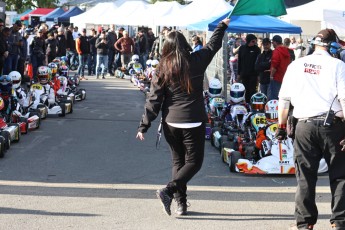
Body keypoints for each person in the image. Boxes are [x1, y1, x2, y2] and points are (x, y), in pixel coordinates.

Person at [136, 18, 230, 216]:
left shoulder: (162, 67)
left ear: (167, 47)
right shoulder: (196, 60)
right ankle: (169, 191)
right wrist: (222, 26)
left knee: (178, 162)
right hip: (193, 119)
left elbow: (154, 99)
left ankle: (181, 204)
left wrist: (144, 125)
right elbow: (213, 45)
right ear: (185, 44)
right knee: (194, 162)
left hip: (171, 121)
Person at [277, 29, 345, 230]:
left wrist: (281, 126)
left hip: (304, 126)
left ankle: (305, 223)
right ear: (332, 46)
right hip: (333, 126)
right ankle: (339, 222)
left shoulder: (295, 65)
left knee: (305, 176)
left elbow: (284, 100)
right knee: (340, 175)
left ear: (314, 44)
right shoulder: (338, 65)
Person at [237, 33, 261, 103]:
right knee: (245, 90)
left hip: (253, 74)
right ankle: (247, 104)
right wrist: (239, 73)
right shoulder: (242, 48)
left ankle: (252, 105)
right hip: (244, 74)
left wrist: (258, 75)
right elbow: (239, 62)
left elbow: (258, 63)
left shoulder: (257, 49)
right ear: (248, 41)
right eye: (253, 41)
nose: (254, 43)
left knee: (252, 91)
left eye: (255, 41)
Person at [269, 35, 290, 100]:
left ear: (275, 42)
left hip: (277, 77)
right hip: (284, 76)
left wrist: (271, 75)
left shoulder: (276, 51)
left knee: (274, 97)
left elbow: (275, 65)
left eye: (272, 42)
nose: (272, 44)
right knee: (282, 98)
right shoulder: (286, 51)